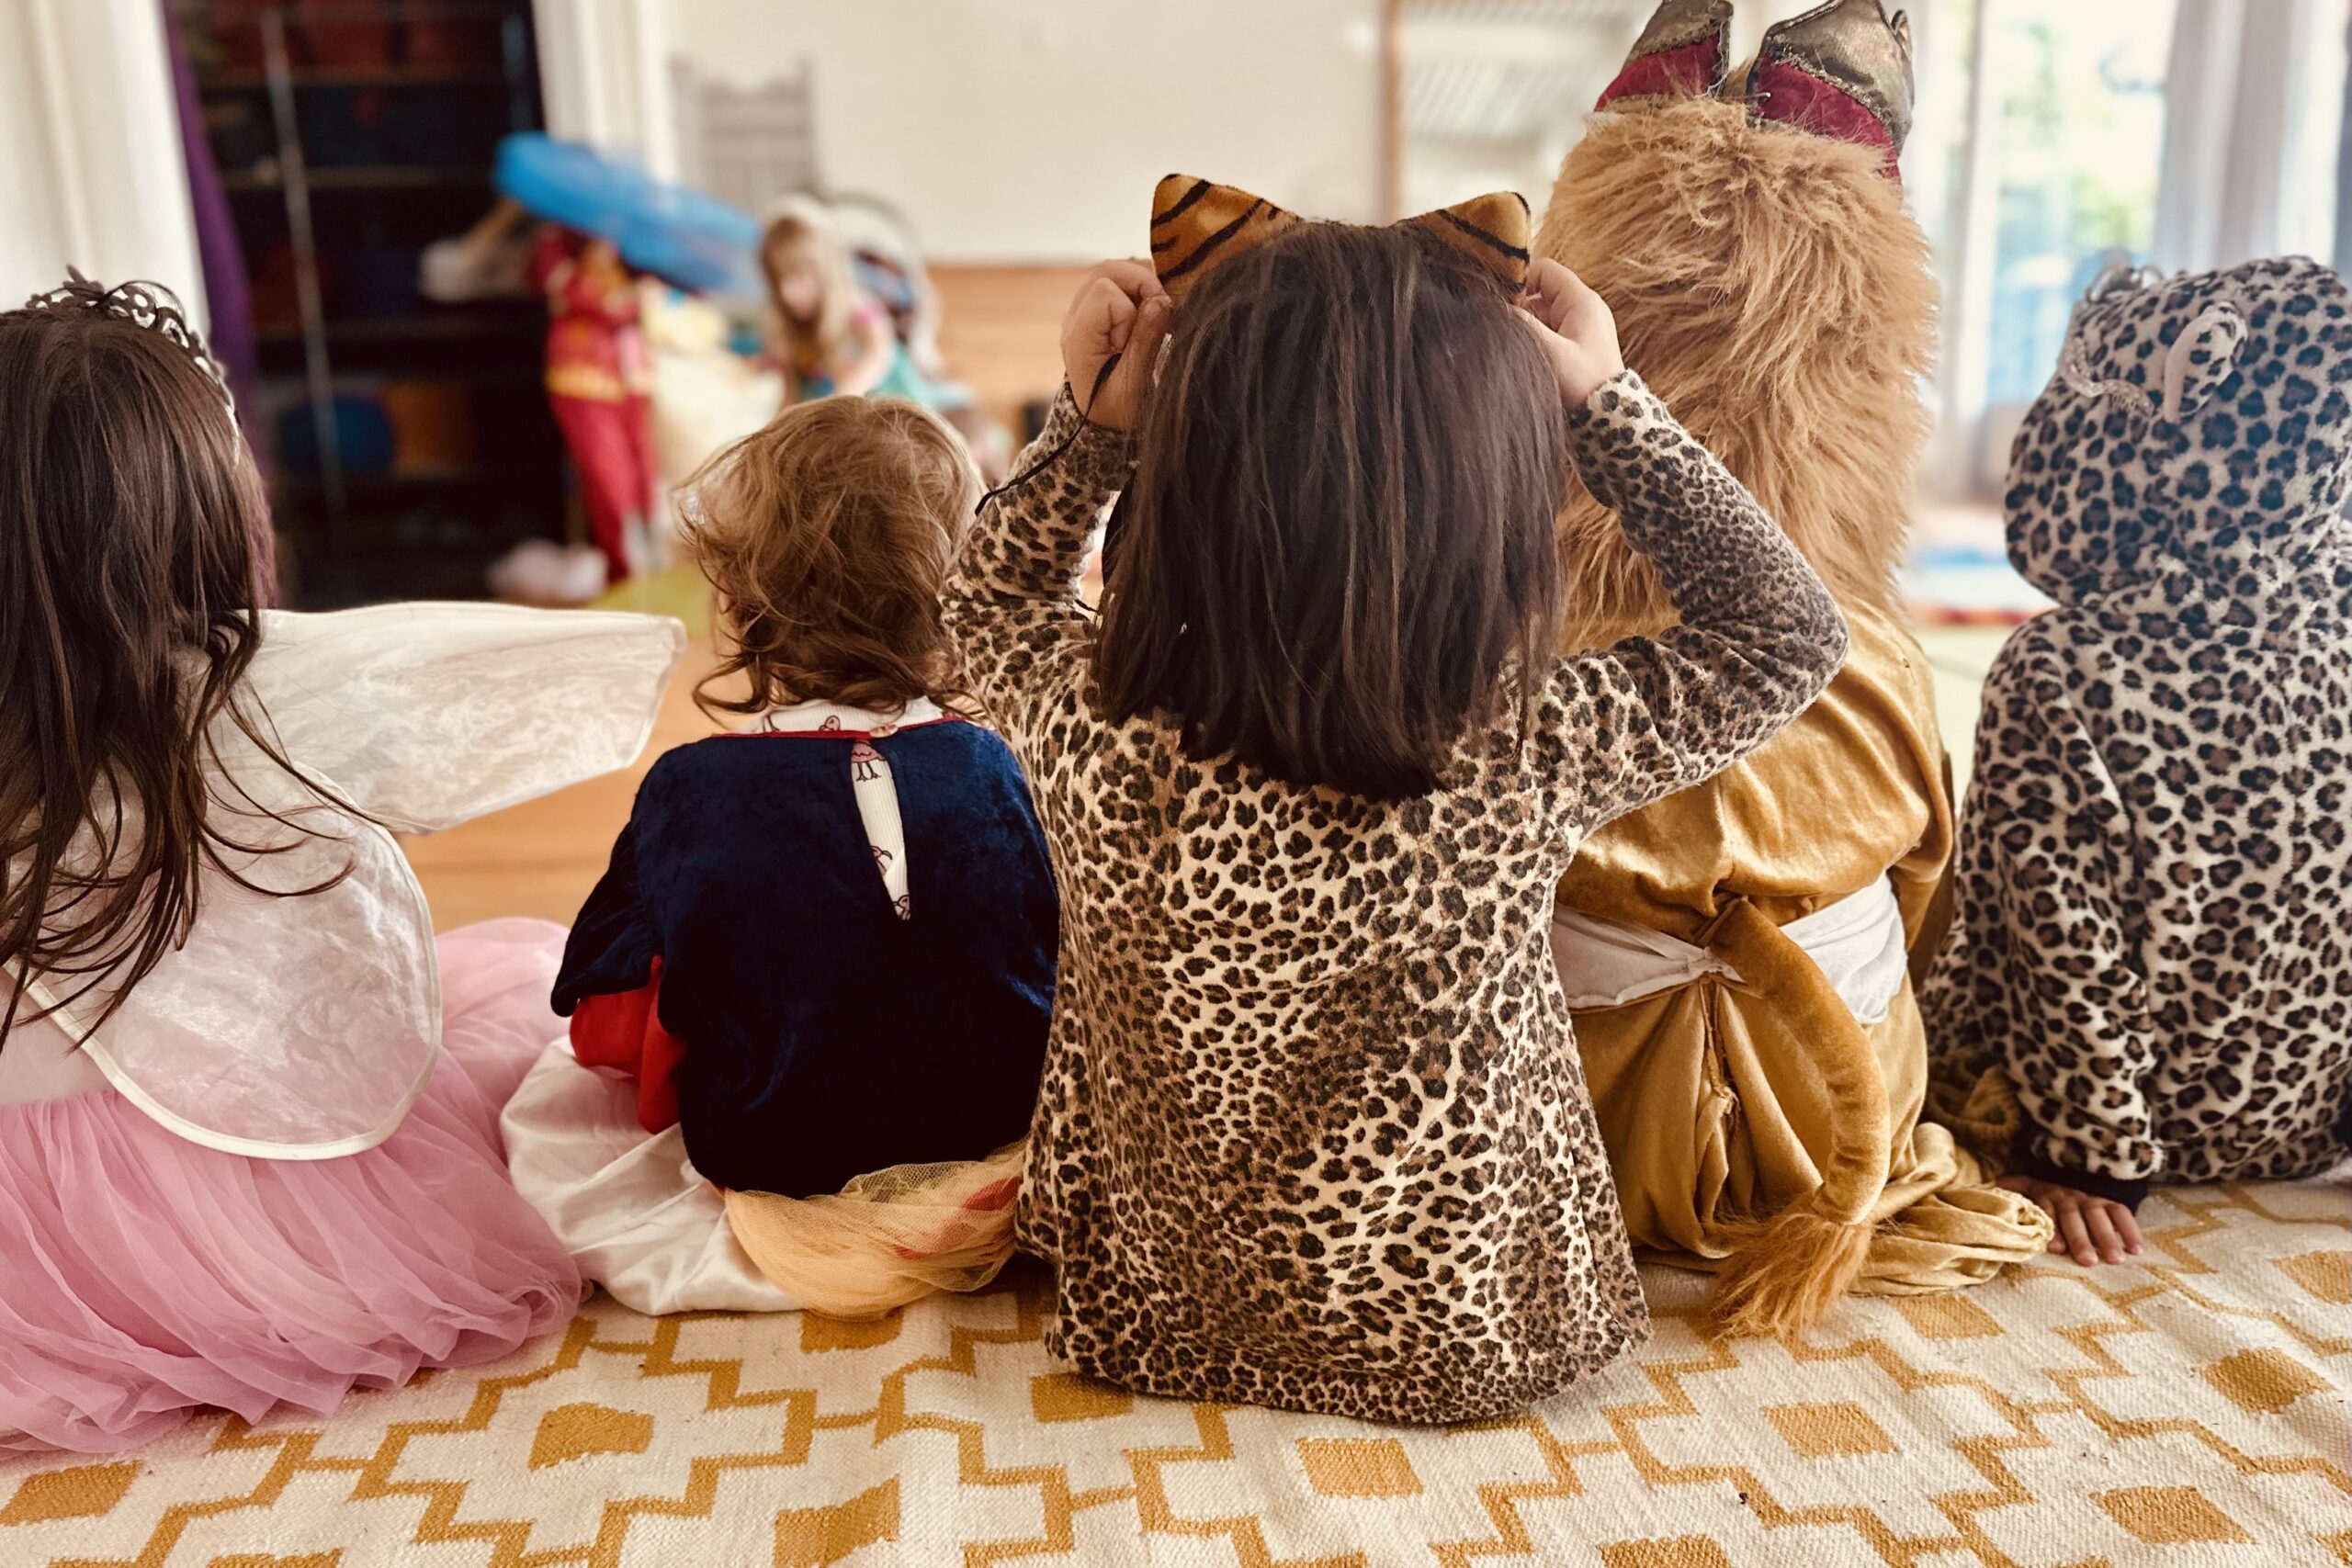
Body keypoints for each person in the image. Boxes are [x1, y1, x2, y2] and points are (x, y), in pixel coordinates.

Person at [942, 174, 1849, 1424]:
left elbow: (986, 602)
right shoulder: (1525, 743)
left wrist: (1092, 426)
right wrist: (1604, 402)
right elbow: (1787, 632)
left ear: (1182, 481)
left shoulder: (1097, 731)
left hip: (1156, 1321)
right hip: (1464, 1340)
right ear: (1492, 504)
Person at [0, 275, 684, 1453]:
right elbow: (501, 682)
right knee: (534, 1009)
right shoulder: (267, 691)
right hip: (275, 1197)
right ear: (206, 515)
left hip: (31, 1228)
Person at [1532, 0, 2051, 1337]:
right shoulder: (1867, 653)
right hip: (1831, 1119)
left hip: (1567, 1126)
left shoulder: (1510, 641)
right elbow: (1926, 883)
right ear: (1860, 355)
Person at [500, 395, 1058, 1318]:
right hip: (999, 1125)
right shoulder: (1002, 764)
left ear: (744, 598)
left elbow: (614, 1030)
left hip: (777, 1147)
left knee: (559, 1092)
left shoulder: (691, 787)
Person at [1924, 256, 2352, 1265]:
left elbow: (2061, 935)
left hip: (2101, 1125)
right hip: (2307, 1126)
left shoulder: (2060, 669)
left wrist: (2090, 1155)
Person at [532, 226, 662, 586]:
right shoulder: (559, 240)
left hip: (632, 375)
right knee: (610, 479)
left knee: (644, 473)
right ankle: (626, 570)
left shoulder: (634, 237)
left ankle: (648, 560)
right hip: (584, 378)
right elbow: (569, 289)